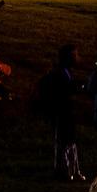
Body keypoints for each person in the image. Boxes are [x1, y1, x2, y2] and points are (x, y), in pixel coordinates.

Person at [37, 44, 83, 180]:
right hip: (62, 113)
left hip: (66, 112)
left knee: (68, 141)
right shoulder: (59, 73)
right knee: (64, 141)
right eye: (75, 55)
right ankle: (65, 171)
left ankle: (70, 170)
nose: (77, 58)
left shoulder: (66, 72)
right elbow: (60, 93)